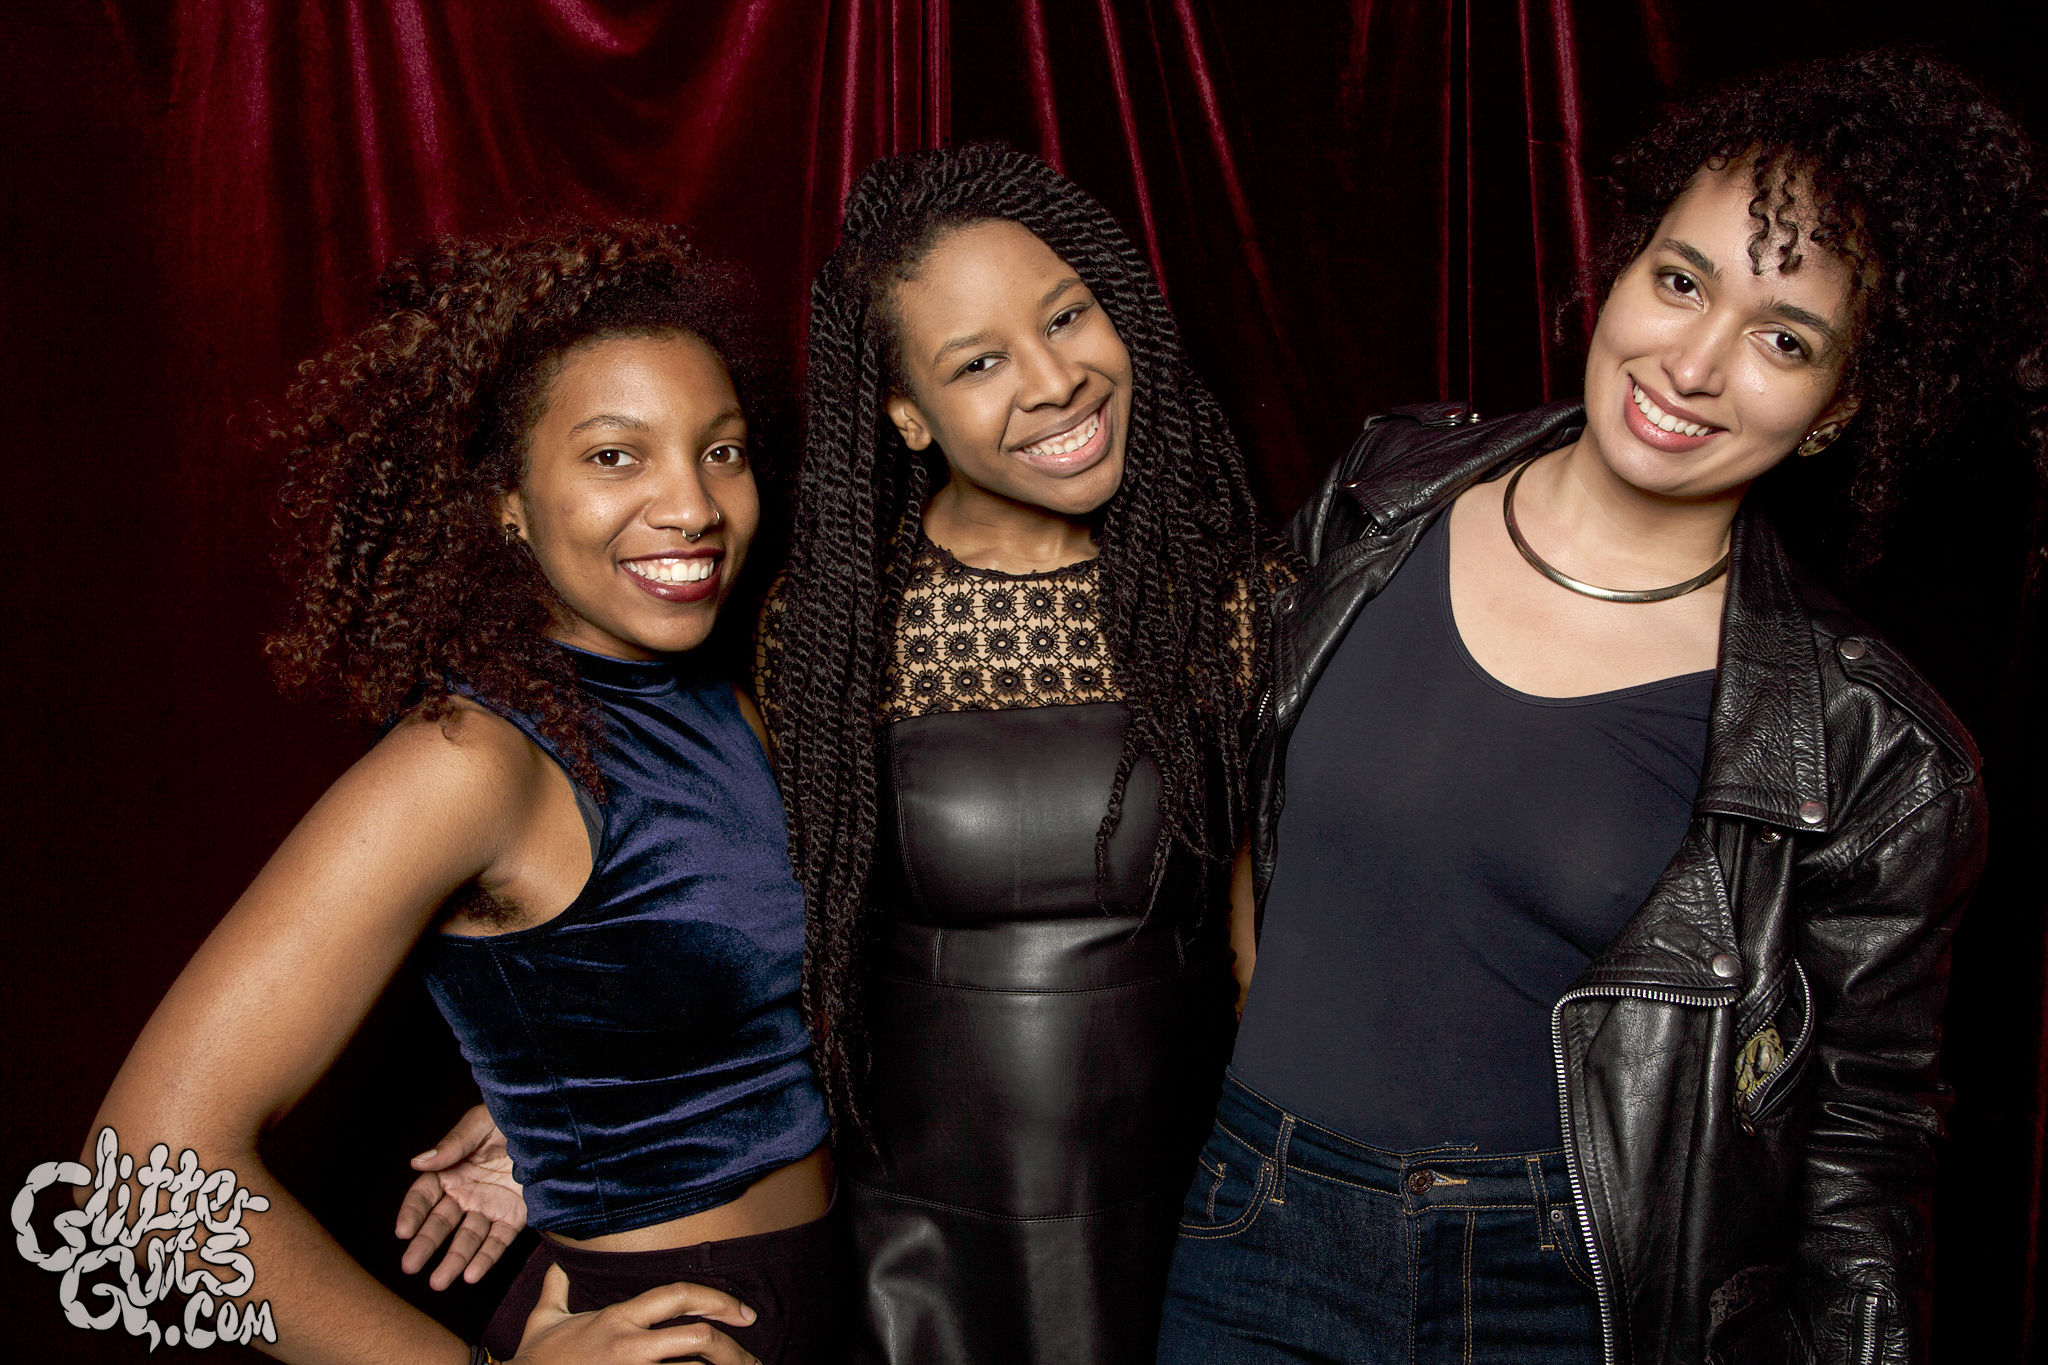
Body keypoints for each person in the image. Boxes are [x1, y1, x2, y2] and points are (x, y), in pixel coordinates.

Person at [1156, 50, 2041, 1365]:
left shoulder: (1869, 748)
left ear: (1837, 408)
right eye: (1680, 281)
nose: (1692, 361)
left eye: (1783, 340)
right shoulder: (1381, 496)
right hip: (1253, 1231)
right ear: (1623, 269)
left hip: (1561, 1293)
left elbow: (1863, 1149)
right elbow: (1244, 783)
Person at [89, 223, 851, 1365]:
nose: (692, 504)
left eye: (721, 450)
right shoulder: (471, 760)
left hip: (830, 1297)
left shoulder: (723, 694)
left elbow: (726, 991)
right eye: (615, 456)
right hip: (666, 1331)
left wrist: (552, 1112)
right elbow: (141, 1177)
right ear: (506, 501)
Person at [760, 144, 1286, 1364]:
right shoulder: (834, 631)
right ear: (904, 412)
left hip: (1196, 1218)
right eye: (978, 362)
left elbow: (1270, 940)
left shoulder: (1229, 603)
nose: (1055, 381)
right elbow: (753, 924)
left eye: (1065, 317)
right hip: (917, 1242)